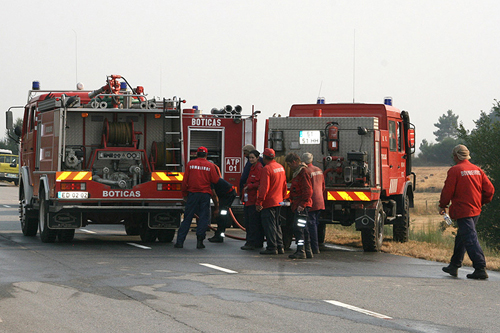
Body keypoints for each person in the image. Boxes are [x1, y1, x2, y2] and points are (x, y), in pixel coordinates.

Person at [440, 144, 494, 279]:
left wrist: (443, 205)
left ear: (456, 156)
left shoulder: (455, 170)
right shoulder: (477, 170)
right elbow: (490, 190)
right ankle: (454, 265)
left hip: (463, 210)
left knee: (469, 238)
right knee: (463, 236)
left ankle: (480, 267)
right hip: (475, 209)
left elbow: (448, 190)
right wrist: (481, 202)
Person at [174, 146, 220, 249]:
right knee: (203, 218)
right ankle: (200, 242)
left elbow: (185, 181)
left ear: (196, 154)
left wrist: (184, 194)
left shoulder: (190, 164)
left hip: (192, 194)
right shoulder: (210, 166)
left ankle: (180, 242)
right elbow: (216, 180)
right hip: (205, 195)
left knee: (187, 218)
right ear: (206, 155)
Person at [256, 148, 287, 255]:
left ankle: (272, 247)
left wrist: (259, 202)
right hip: (279, 201)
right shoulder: (280, 167)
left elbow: (264, 187)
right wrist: (283, 198)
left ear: (264, 157)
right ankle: (280, 246)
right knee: (277, 224)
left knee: (269, 225)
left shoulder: (267, 169)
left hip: (269, 202)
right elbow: (284, 185)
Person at [285, 153, 313, 259]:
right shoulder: (298, 173)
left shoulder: (302, 172)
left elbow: (308, 190)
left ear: (294, 162)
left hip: (301, 205)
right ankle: (307, 250)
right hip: (299, 204)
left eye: (289, 164)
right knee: (303, 229)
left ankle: (301, 250)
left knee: (299, 229)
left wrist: (303, 204)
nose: (289, 167)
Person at [241, 149, 265, 250]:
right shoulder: (252, 167)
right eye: (249, 157)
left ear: (257, 158)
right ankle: (256, 242)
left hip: (253, 199)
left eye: (252, 158)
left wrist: (249, 186)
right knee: (251, 222)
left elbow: (259, 183)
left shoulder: (259, 168)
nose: (250, 159)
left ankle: (252, 242)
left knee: (252, 222)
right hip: (249, 199)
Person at [302, 152, 325, 254]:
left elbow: (306, 189)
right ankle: (316, 245)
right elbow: (323, 187)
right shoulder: (319, 170)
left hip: (311, 202)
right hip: (320, 201)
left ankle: (314, 248)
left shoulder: (306, 171)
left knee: (310, 224)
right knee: (315, 223)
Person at [208, 166, 237, 243]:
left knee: (222, 214)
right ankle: (219, 234)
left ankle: (220, 236)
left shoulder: (211, 181)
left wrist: (217, 209)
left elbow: (214, 196)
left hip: (229, 194)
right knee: (221, 214)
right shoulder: (211, 179)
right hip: (225, 195)